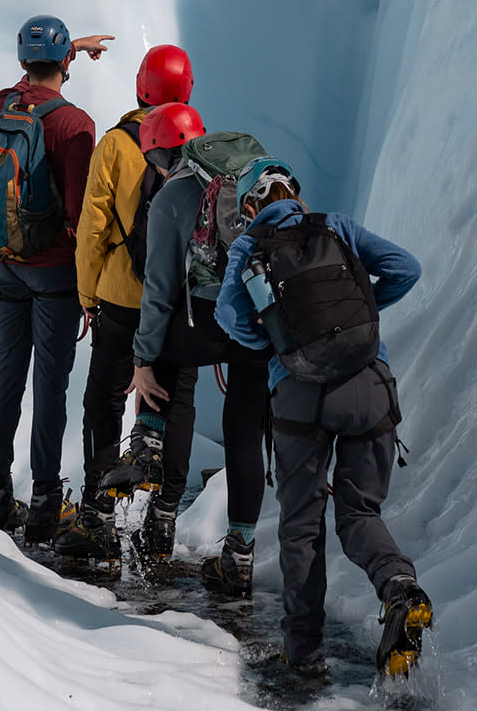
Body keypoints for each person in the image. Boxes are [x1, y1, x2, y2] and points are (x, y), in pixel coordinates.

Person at [214, 163, 431, 682]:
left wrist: (281, 338)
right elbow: (406, 268)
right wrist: (360, 312)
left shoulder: (248, 246)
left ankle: (304, 654)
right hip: (370, 385)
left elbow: (229, 316)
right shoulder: (336, 226)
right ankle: (399, 586)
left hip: (300, 398)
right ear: (294, 193)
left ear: (250, 206)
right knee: (359, 514)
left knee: (302, 529)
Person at [101, 124, 272, 597]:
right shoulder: (259, 179)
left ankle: (148, 448)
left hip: (207, 323)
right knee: (244, 437)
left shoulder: (171, 197)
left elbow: (158, 291)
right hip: (259, 324)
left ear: (158, 157)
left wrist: (142, 361)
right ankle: (239, 555)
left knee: (163, 353)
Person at [60, 52, 200, 564]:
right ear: (187, 89)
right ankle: (162, 522)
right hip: (182, 306)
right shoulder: (199, 146)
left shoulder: (117, 144)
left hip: (121, 300)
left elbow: (92, 228)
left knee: (104, 402)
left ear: (141, 87)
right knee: (174, 404)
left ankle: (98, 517)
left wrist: (87, 296)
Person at [0, 15, 111, 544]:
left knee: (6, 377)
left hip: (4, 263)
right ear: (64, 64)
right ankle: (44, 503)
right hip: (54, 271)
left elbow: (24, 86)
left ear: (21, 61)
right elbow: (79, 212)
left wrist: (66, 48)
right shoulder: (76, 125)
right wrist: (89, 286)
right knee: (50, 386)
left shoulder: (1, 105)